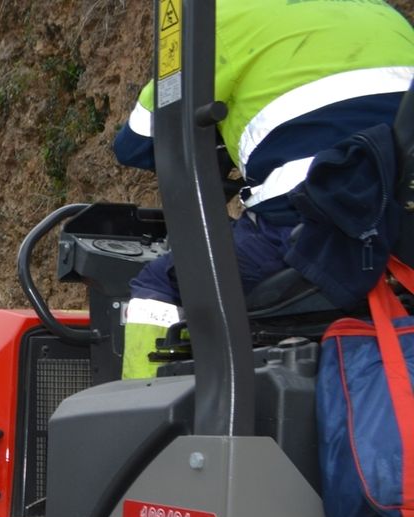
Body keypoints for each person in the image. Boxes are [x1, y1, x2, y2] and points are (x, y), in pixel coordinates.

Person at [114, 0, 414, 379]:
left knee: (158, 284)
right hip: (400, 230)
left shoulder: (214, 17)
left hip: (313, 229)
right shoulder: (380, 10)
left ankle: (145, 405)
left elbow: (138, 142)